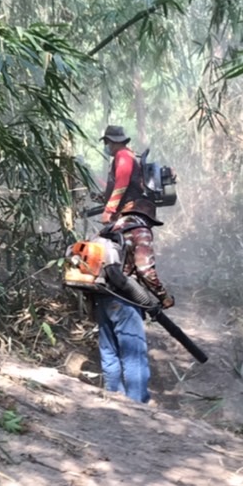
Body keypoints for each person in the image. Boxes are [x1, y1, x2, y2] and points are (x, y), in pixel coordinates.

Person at [94, 124, 173, 404]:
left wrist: (108, 209)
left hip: (103, 298)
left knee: (110, 353)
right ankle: (136, 409)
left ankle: (111, 403)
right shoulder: (137, 226)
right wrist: (162, 297)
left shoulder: (112, 230)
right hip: (125, 300)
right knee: (134, 354)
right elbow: (145, 269)